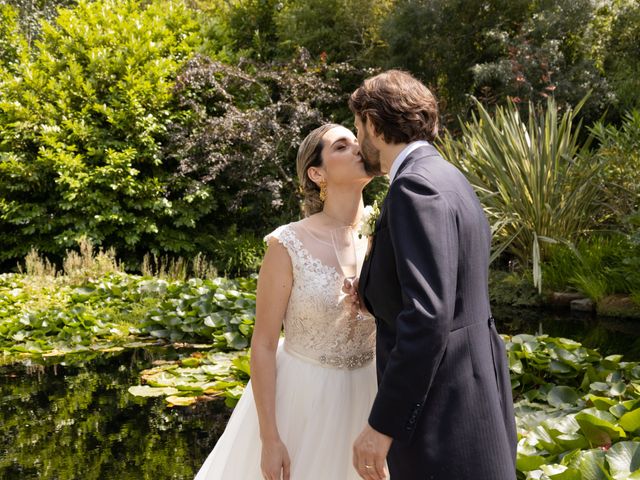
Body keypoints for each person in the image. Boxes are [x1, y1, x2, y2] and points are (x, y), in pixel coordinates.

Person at [345, 70, 518, 480]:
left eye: (356, 127)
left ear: (372, 122)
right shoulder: (449, 176)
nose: (357, 140)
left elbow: (428, 316)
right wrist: (372, 295)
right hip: (476, 395)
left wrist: (382, 424)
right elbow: (450, 291)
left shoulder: (414, 187)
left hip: (443, 412)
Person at [194, 123, 378, 480]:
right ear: (317, 173)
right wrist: (269, 438)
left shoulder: (384, 233)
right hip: (303, 401)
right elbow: (262, 344)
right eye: (342, 146)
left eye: (358, 142)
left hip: (371, 396)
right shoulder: (288, 244)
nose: (358, 149)